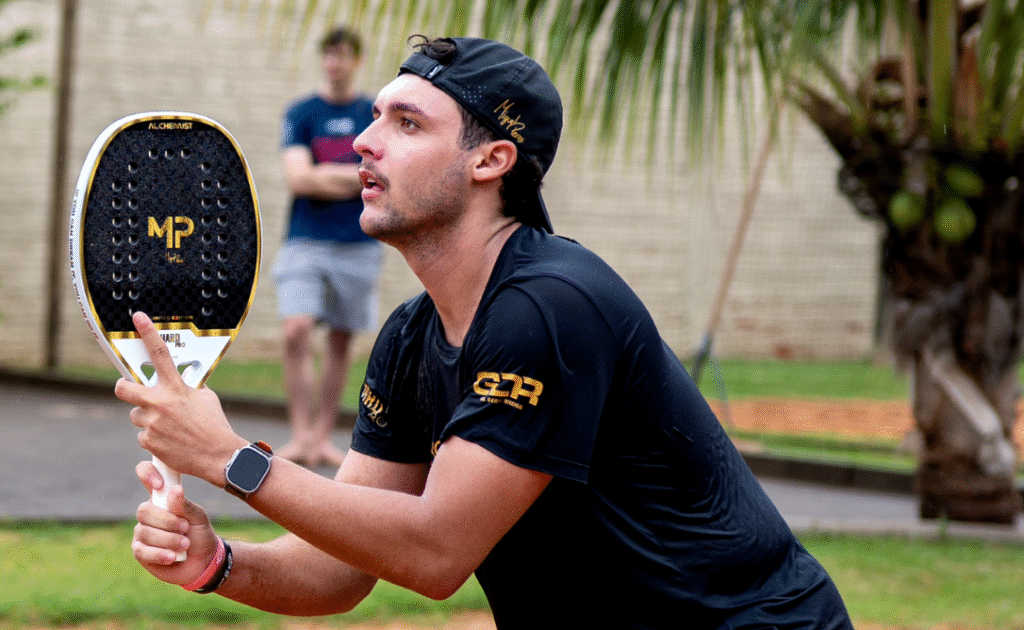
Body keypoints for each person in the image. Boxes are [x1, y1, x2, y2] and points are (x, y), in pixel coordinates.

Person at [119, 36, 854, 629]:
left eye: (407, 123)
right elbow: (339, 570)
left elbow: (437, 551)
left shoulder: (551, 307)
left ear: (491, 160)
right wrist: (217, 563)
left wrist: (229, 459)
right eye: (376, 117)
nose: (365, 144)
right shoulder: (410, 337)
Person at [273, 26, 381, 467]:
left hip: (358, 243)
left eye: (343, 55)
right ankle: (299, 434)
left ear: (356, 60)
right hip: (305, 240)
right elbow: (298, 178)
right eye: (329, 55)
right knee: (295, 330)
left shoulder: (373, 114)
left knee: (340, 340)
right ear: (323, 60)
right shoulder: (302, 112)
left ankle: (321, 438)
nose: (335, 63)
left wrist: (324, 175)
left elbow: (379, 174)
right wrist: (352, 176)